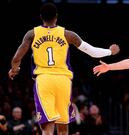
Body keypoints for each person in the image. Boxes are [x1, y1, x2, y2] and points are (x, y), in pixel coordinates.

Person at [8, 2, 120, 135]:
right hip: (63, 81)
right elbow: (92, 51)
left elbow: (16, 58)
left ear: (40, 17)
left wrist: (14, 69)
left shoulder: (31, 34)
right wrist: (110, 51)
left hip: (44, 80)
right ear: (56, 16)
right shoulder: (67, 34)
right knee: (63, 127)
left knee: (47, 128)